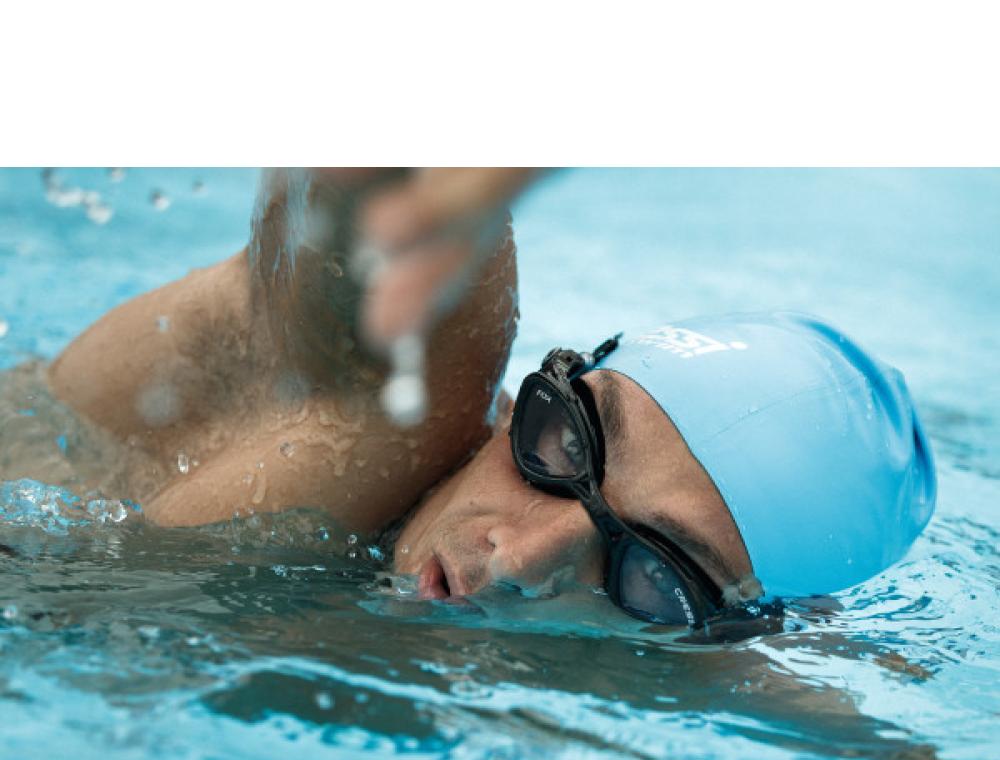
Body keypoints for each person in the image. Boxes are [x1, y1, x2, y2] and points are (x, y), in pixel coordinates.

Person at [42, 168, 936, 628]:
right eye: (565, 446)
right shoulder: (381, 400)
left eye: (654, 573)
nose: (518, 562)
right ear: (522, 403)